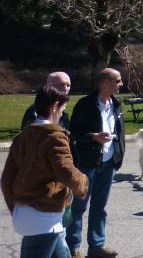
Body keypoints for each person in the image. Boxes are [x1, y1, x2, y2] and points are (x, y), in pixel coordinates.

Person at [2, 84, 89, 258]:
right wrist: (83, 186)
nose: (62, 114)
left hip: (29, 215)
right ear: (54, 106)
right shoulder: (56, 137)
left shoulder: (21, 137)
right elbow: (68, 173)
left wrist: (19, 207)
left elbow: (6, 180)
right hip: (43, 218)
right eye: (62, 109)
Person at [67, 68, 124, 258]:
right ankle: (72, 248)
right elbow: (73, 133)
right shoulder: (85, 104)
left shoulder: (116, 105)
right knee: (78, 208)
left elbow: (120, 133)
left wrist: (119, 155)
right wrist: (94, 137)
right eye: (118, 81)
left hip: (108, 164)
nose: (121, 85)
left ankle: (97, 246)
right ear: (105, 82)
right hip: (87, 164)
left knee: (100, 207)